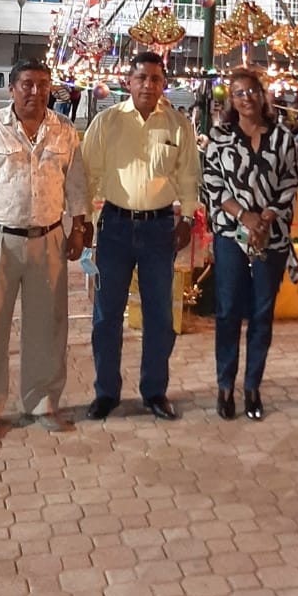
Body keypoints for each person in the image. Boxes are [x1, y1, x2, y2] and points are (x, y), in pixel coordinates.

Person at [0, 58, 91, 439]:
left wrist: (78, 228)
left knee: (48, 327)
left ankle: (43, 402)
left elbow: (77, 184)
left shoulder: (64, 130)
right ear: (11, 89)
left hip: (49, 240)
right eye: (27, 84)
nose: (35, 92)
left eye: (43, 84)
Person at [81, 51, 200, 421]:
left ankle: (154, 391)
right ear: (127, 82)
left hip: (160, 229)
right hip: (114, 228)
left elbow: (189, 176)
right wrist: (85, 221)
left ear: (164, 83)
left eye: (155, 79)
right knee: (106, 316)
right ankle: (106, 393)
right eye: (141, 78)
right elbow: (87, 175)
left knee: (160, 316)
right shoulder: (107, 122)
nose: (148, 85)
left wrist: (187, 218)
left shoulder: (178, 125)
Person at [202, 67, 298, 421]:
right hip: (232, 235)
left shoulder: (282, 136)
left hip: (271, 236)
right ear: (231, 99)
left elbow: (289, 182)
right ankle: (225, 385)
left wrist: (266, 218)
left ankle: (252, 386)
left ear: (263, 94)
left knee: (262, 313)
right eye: (239, 93)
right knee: (228, 310)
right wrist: (244, 216)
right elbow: (212, 182)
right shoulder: (220, 136)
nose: (246, 98)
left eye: (252, 91)